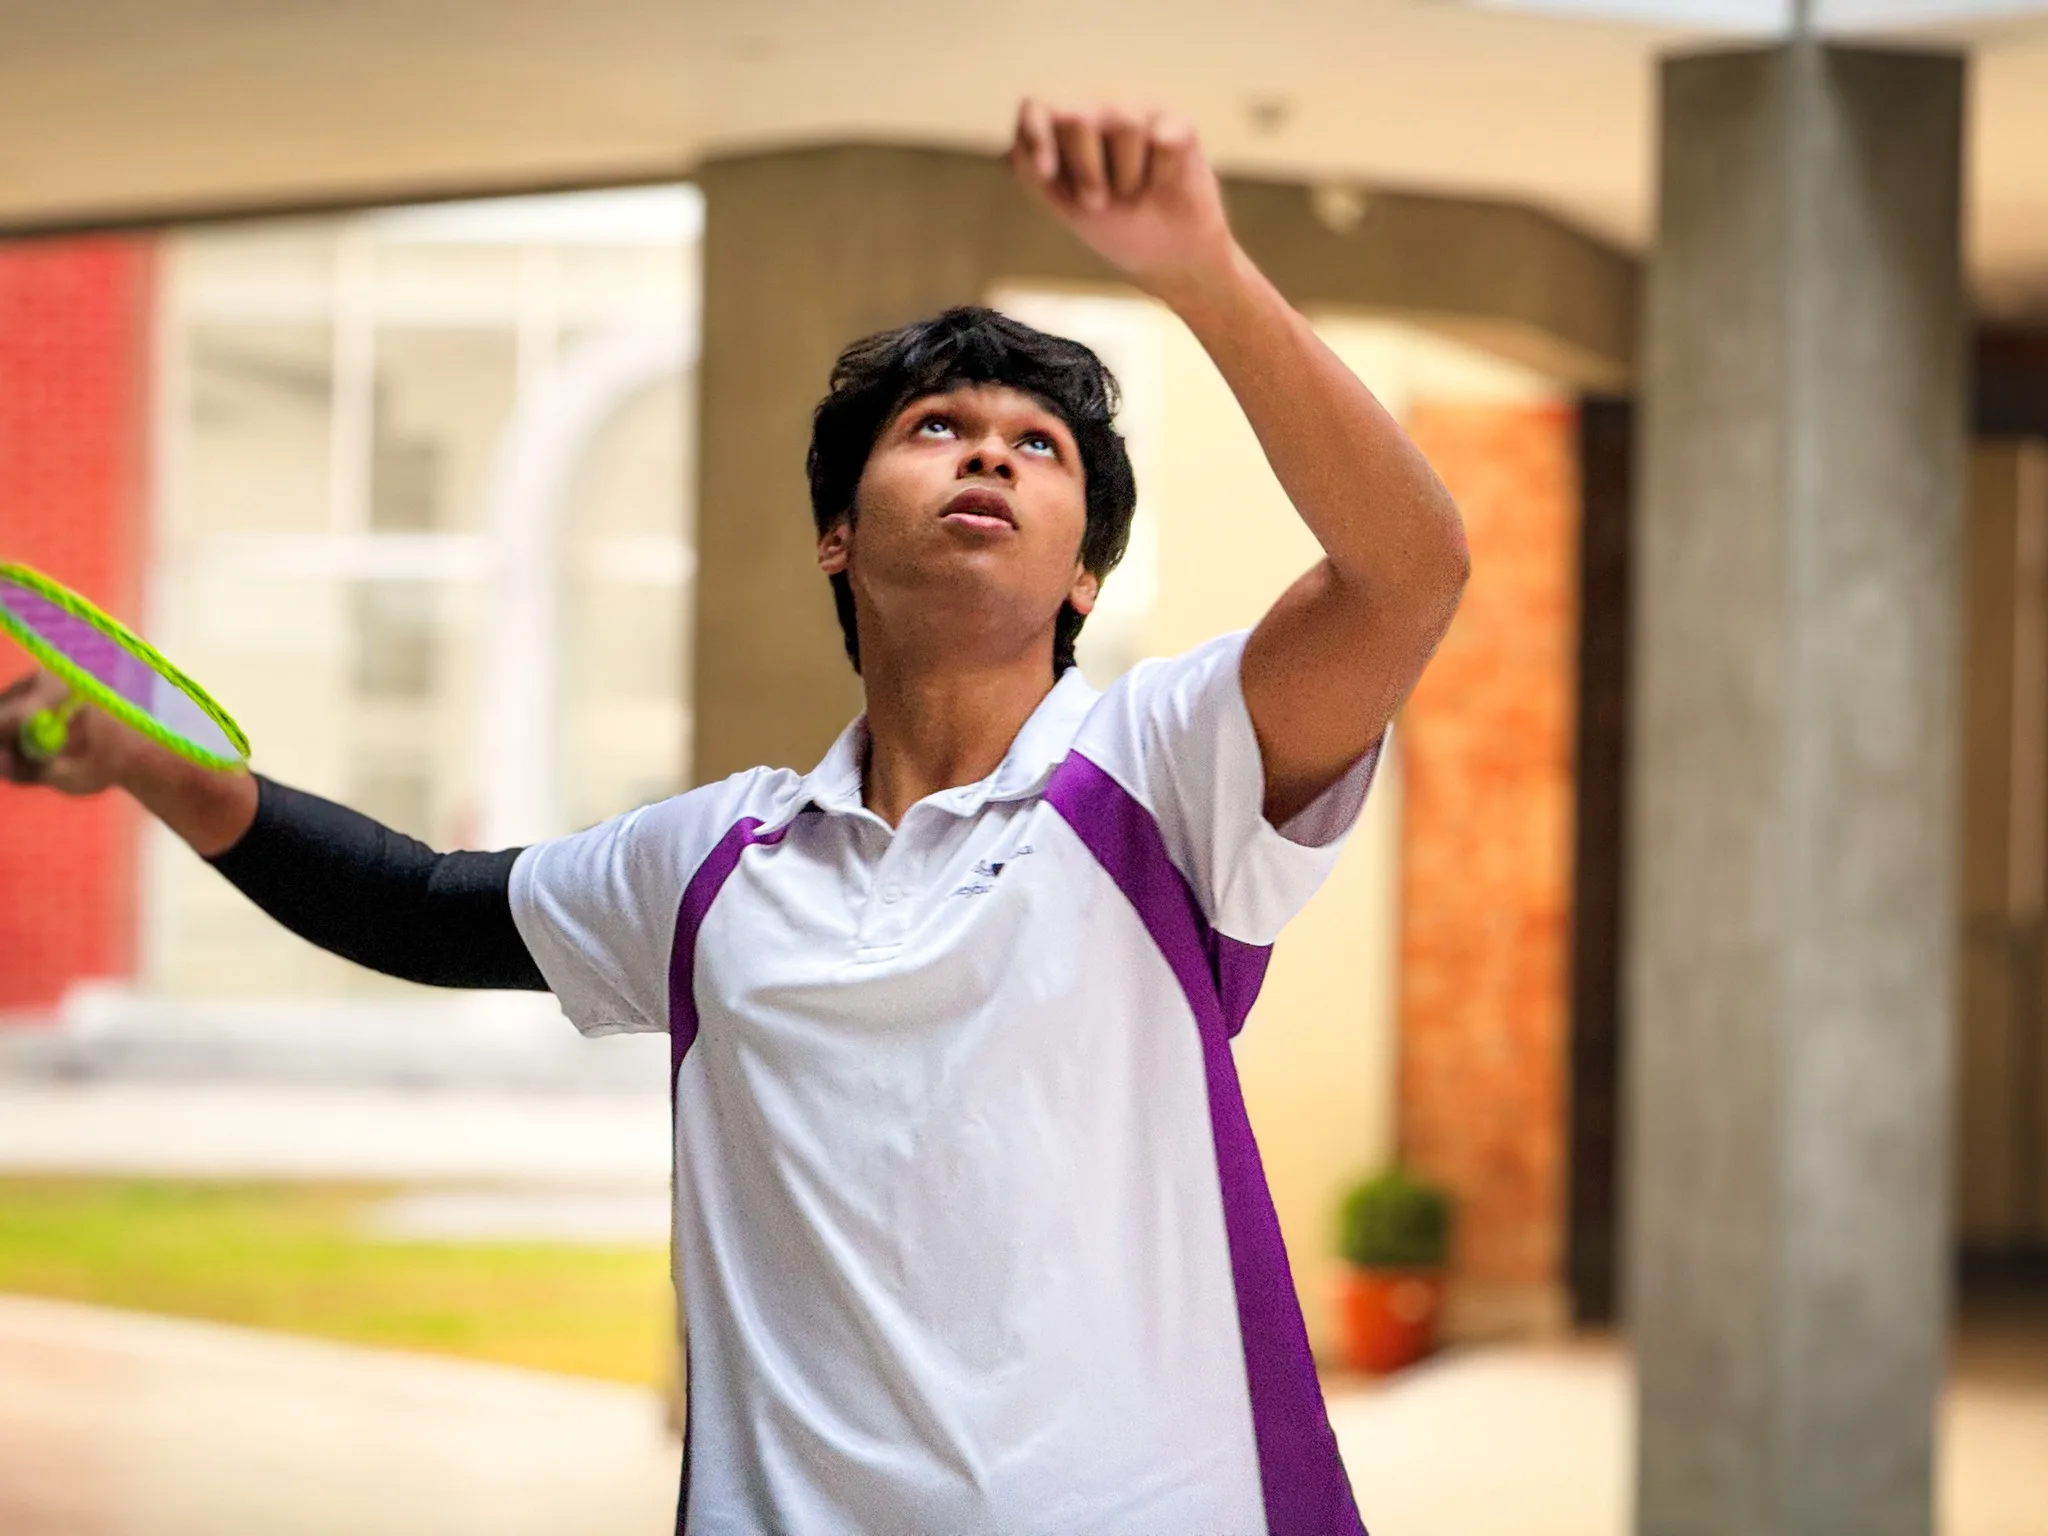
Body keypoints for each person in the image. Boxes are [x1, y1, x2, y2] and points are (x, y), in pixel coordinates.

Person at [1, 101, 1467, 1535]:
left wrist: (1197, 271)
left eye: (1042, 447)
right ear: (838, 534)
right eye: (939, 426)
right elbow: (420, 905)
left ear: (1085, 575)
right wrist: (154, 766)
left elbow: (1407, 572)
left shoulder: (1168, 772)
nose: (989, 455)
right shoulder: (713, 862)